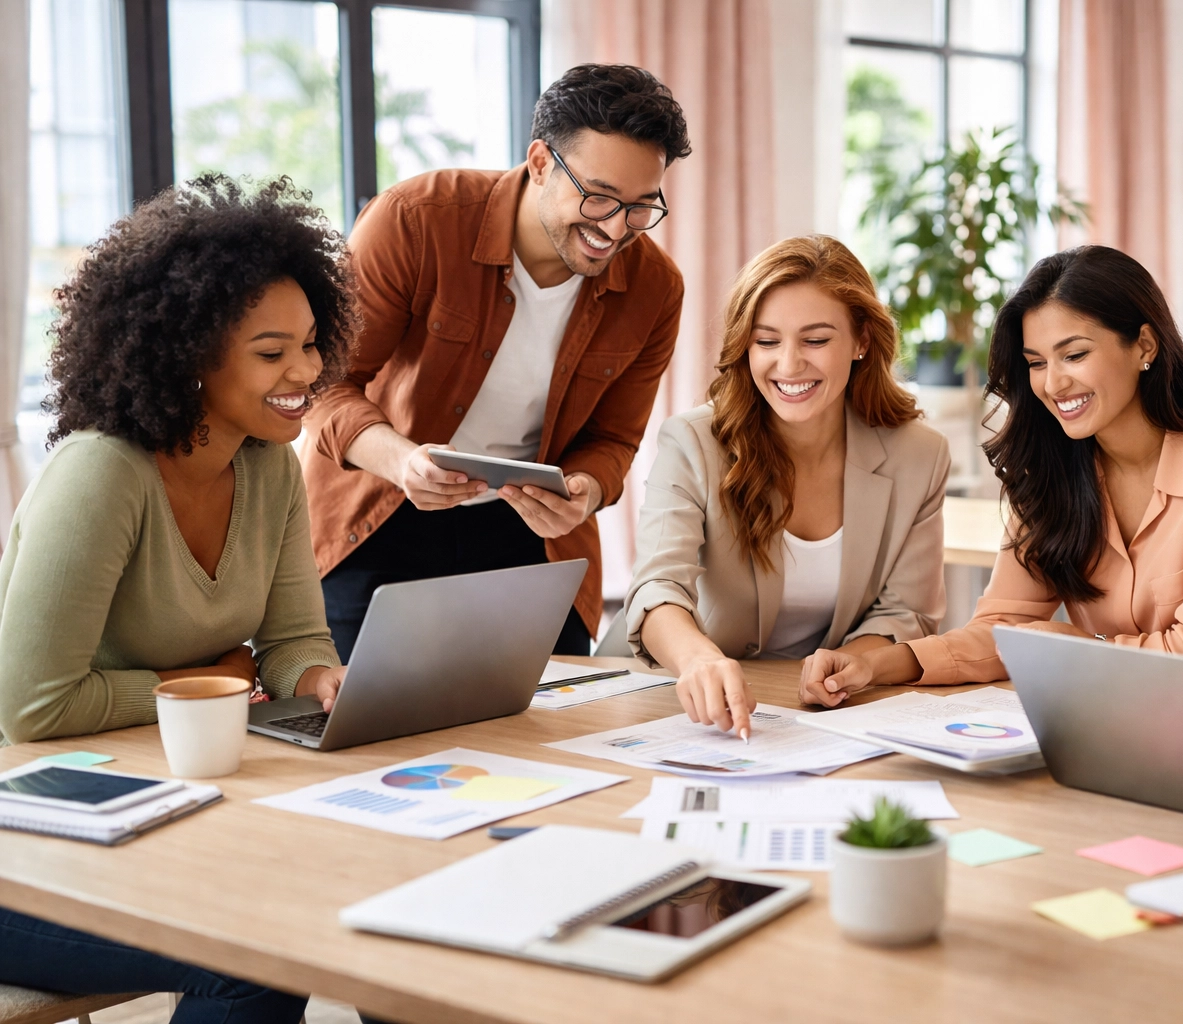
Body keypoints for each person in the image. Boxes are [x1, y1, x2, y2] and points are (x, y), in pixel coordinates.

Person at [0, 175, 351, 1021]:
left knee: (321, 895)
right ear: (188, 356)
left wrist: (318, 681)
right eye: (273, 353)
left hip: (149, 805)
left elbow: (297, 635)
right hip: (28, 841)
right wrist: (211, 681)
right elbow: (29, 705)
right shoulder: (102, 472)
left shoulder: (269, 465)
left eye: (310, 344)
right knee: (255, 953)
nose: (307, 371)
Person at [302, 63, 690, 661]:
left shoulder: (655, 289)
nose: (615, 229)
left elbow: (614, 438)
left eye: (642, 206)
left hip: (531, 536)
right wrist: (403, 461)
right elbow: (323, 385)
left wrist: (585, 491)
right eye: (598, 197)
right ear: (540, 162)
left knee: (551, 734)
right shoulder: (416, 220)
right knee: (362, 732)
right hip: (380, 511)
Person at [799, 245, 1183, 707]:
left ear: (1144, 344)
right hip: (1110, 720)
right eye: (1036, 363)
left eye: (1075, 355)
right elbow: (1003, 629)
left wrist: (1074, 646)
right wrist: (874, 663)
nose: (1053, 384)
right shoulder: (1054, 464)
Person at [625, 235, 949, 737]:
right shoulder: (693, 441)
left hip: (818, 717)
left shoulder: (919, 455)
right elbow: (658, 585)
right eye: (767, 340)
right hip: (676, 699)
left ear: (862, 340)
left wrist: (850, 663)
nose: (789, 364)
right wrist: (697, 659)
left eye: (816, 340)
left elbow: (906, 612)